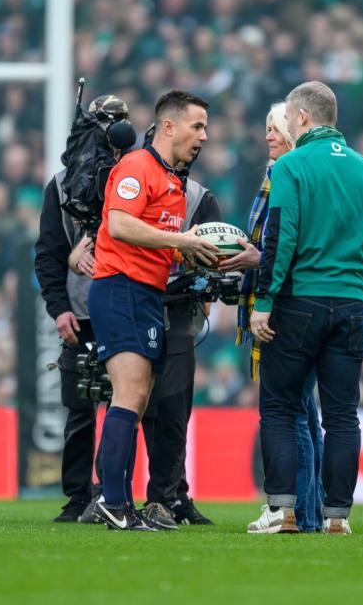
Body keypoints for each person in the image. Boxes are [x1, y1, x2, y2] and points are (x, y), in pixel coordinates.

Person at [246, 81, 363, 534]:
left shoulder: (291, 166)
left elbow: (281, 235)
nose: (288, 125)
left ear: (303, 118)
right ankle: (337, 518)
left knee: (279, 407)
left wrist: (264, 301)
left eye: (290, 118)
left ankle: (282, 511)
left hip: (299, 305)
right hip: (351, 306)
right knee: (342, 416)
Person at [88, 90, 219, 531]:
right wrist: (183, 241)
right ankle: (112, 500)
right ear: (168, 126)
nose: (203, 136)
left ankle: (118, 502)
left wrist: (201, 252)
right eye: (197, 126)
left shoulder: (173, 182)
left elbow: (160, 244)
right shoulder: (137, 166)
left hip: (145, 293)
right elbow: (120, 224)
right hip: (120, 288)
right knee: (129, 394)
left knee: (138, 397)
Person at [221, 102, 324, 532]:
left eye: (274, 128)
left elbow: (290, 247)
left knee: (293, 413)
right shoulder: (281, 173)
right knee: (307, 413)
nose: (267, 136)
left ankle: (296, 510)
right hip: (299, 303)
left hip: (284, 306)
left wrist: (254, 259)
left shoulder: (288, 175)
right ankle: (314, 511)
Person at [34, 94, 131, 523]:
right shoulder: (59, 185)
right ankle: (77, 496)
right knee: (79, 407)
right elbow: (49, 254)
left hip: (126, 304)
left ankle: (115, 494)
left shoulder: (137, 177)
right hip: (81, 309)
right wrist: (58, 309)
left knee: (128, 404)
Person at [140, 125, 222, 527]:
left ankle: (168, 496)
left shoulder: (200, 198)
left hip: (175, 312)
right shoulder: (138, 181)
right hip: (138, 305)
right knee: (135, 404)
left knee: (170, 409)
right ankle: (129, 494)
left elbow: (216, 259)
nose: (201, 140)